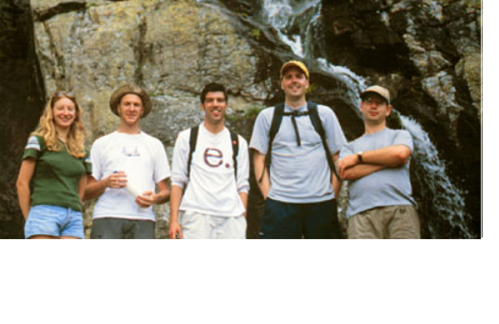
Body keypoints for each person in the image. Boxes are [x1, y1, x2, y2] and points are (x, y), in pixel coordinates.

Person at [250, 60, 347, 240]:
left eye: (299, 77)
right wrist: (268, 196)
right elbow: (258, 158)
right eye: (289, 77)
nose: (294, 81)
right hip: (281, 203)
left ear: (307, 83)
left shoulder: (324, 114)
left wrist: (332, 195)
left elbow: (338, 156)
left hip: (321, 202)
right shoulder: (267, 117)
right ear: (282, 84)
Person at [87, 85, 171, 240]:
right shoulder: (102, 144)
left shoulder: (154, 145)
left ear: (142, 110)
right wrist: (105, 183)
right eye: (127, 104)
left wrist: (153, 198)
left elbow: (166, 192)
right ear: (118, 108)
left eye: (136, 105)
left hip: (143, 219)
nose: (131, 109)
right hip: (107, 217)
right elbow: (86, 191)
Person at [336, 85, 419, 240]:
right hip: (361, 216)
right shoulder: (349, 146)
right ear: (361, 107)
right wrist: (387, 161)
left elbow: (400, 154)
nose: (373, 106)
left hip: (399, 211)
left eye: (379, 103)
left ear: (388, 110)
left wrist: (358, 158)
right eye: (369, 102)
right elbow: (346, 172)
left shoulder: (400, 135)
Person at [168, 83, 249, 240]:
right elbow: (177, 181)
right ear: (202, 105)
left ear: (226, 105)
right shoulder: (187, 138)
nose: (215, 105)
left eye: (220, 100)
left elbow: (243, 186)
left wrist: (242, 219)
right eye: (210, 100)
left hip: (231, 219)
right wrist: (174, 220)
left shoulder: (238, 142)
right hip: (197, 216)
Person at [16, 91, 96, 240]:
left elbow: (81, 187)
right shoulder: (38, 141)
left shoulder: (82, 151)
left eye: (70, 109)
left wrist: (74, 205)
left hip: (73, 217)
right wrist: (30, 218)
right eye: (60, 108)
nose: (65, 113)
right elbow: (22, 183)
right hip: (44, 212)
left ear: (76, 114)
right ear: (51, 112)